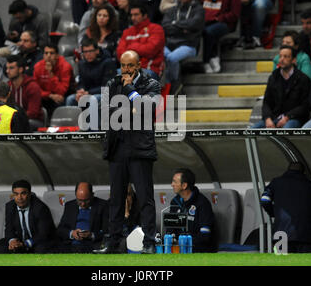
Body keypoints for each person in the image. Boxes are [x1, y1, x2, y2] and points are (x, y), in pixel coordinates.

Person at [94, 50, 161, 254]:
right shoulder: (111, 84)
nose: (126, 70)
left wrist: (130, 90)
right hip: (117, 147)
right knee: (116, 198)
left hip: (140, 148)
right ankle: (113, 243)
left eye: (130, 66)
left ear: (139, 65)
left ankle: (149, 242)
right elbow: (106, 113)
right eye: (123, 65)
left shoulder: (152, 84)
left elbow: (146, 109)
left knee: (144, 197)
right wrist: (131, 108)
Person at [261, 162, 311, 253]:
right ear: (303, 172)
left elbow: (264, 200)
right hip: (307, 236)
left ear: (288, 170)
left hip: (281, 234)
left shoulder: (276, 182)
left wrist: (274, 212)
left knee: (282, 263)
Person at [0, 180, 57, 254]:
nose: (19, 198)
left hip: (39, 241)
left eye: (23, 193)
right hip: (20, 241)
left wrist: (25, 244)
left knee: (40, 249)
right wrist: (12, 241)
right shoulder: (10, 206)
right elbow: (9, 229)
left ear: (30, 194)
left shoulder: (40, 208)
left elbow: (43, 234)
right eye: (16, 194)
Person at [251, 46, 311, 129]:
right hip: (274, 117)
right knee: (252, 130)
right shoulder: (273, 77)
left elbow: (305, 105)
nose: (282, 59)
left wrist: (287, 117)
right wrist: (267, 118)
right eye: (280, 56)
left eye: (286, 56)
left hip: (294, 118)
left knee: (287, 128)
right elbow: (266, 102)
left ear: (293, 60)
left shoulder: (302, 79)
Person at [161, 0, 204, 95]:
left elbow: (194, 24)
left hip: (188, 45)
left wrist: (175, 24)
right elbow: (165, 26)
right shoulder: (172, 10)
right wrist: (183, 28)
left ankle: (174, 84)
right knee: (160, 53)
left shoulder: (198, 9)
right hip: (170, 44)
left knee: (171, 58)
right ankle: (173, 84)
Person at [201, 0, 240, 73]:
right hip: (207, 22)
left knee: (209, 32)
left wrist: (219, 18)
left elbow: (235, 14)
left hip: (225, 23)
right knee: (201, 30)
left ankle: (206, 60)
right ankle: (213, 56)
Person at [169, 168, 217, 253]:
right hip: (179, 248)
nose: (172, 184)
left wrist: (185, 243)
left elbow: (205, 236)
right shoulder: (175, 202)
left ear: (184, 186)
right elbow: (171, 229)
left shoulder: (202, 203)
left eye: (175, 182)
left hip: (200, 250)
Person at [56, 182, 109, 253]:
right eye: (79, 201)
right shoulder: (70, 206)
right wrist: (72, 233)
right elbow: (60, 229)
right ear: (76, 196)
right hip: (71, 245)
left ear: (92, 195)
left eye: (86, 200)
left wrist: (91, 235)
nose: (83, 204)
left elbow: (107, 231)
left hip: (92, 246)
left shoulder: (103, 206)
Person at [116, 5, 165, 80]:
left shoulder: (156, 29)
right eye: (131, 15)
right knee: (110, 78)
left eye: (136, 15)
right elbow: (120, 54)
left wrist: (131, 48)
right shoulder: (127, 32)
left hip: (149, 69)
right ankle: (103, 92)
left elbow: (150, 50)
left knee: (132, 80)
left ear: (145, 15)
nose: (132, 18)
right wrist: (139, 49)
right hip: (128, 70)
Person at [66, 37, 117, 106]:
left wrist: (88, 92)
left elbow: (107, 86)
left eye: (91, 51)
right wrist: (81, 90)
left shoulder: (108, 63)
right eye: (85, 52)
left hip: (104, 94)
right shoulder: (82, 64)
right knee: (70, 99)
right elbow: (81, 82)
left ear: (97, 51)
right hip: (87, 93)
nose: (88, 54)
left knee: (93, 99)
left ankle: (93, 117)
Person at [33, 44, 74, 116]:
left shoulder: (65, 66)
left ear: (57, 55)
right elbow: (35, 89)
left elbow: (61, 91)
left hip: (63, 96)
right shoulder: (38, 66)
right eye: (46, 53)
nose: (48, 56)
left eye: (51, 53)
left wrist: (51, 75)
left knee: (59, 101)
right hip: (47, 96)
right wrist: (49, 95)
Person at [6, 55, 44, 130]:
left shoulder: (32, 86)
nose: (7, 71)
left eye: (11, 68)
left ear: (20, 69)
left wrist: (14, 118)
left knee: (17, 124)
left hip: (34, 121)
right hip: (14, 119)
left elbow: (33, 113)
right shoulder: (8, 86)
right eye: (7, 68)